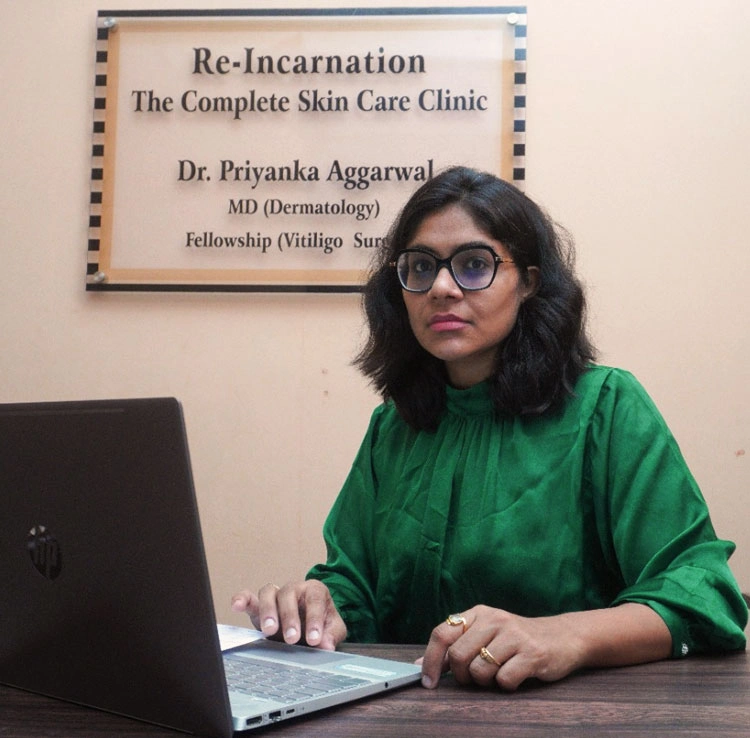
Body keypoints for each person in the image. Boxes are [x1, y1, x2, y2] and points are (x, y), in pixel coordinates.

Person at [232, 166, 747, 691]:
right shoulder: (394, 424)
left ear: (528, 282)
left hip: (572, 716)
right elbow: (356, 586)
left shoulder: (606, 406)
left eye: (474, 265)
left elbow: (704, 593)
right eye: (420, 267)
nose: (441, 288)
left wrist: (562, 635)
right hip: (408, 716)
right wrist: (318, 607)